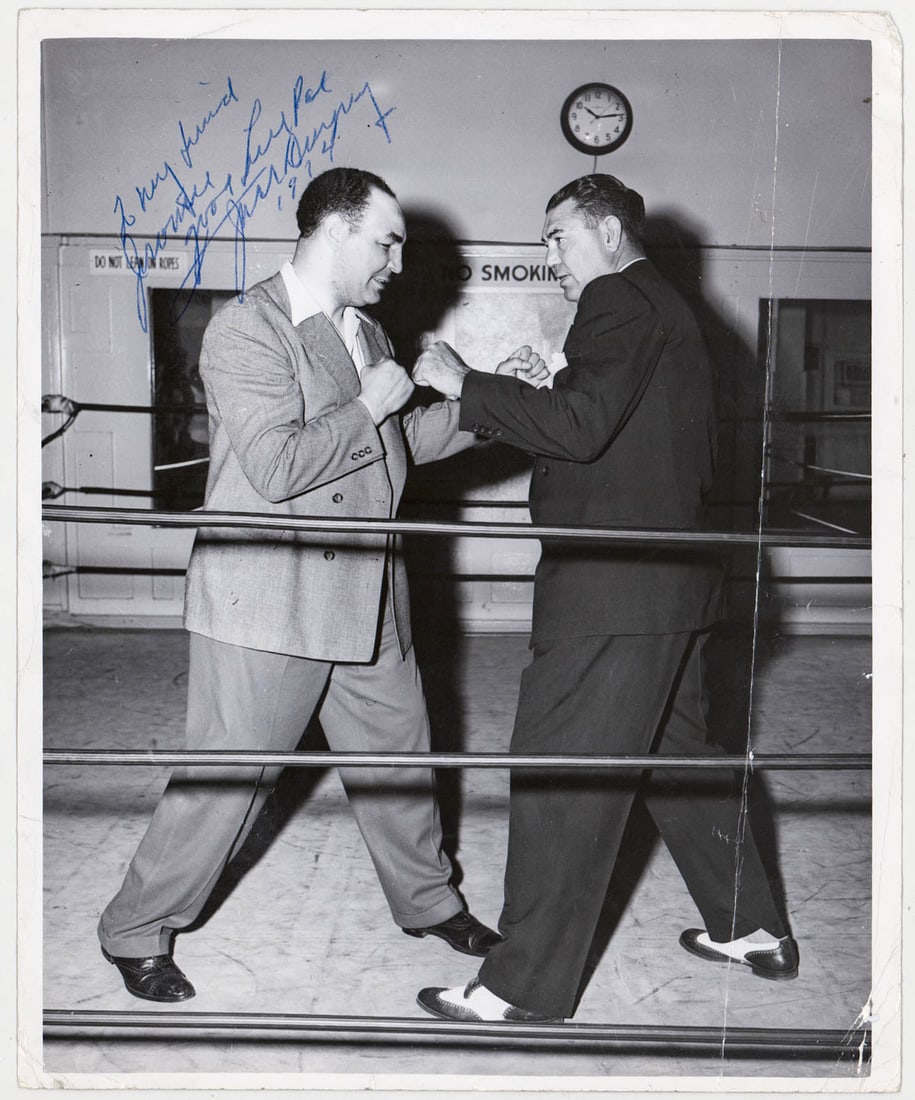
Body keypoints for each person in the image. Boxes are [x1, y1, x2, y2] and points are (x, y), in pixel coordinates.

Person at [97, 167, 507, 1003]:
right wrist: (370, 403)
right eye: (386, 239)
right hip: (270, 598)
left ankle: (427, 904)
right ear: (334, 232)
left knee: (400, 760)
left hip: (368, 594)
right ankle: (134, 930)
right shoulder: (248, 328)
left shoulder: (367, 331)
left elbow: (397, 447)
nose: (397, 259)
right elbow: (280, 464)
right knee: (229, 777)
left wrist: (489, 403)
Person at [411, 174, 798, 1024]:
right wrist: (537, 393)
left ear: (611, 233)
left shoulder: (617, 300)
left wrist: (462, 382)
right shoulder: (662, 307)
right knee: (683, 761)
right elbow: (614, 434)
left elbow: (583, 430)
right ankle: (754, 930)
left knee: (558, 775)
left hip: (613, 590)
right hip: (673, 583)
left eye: (558, 237)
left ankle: (520, 989)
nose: (548, 256)